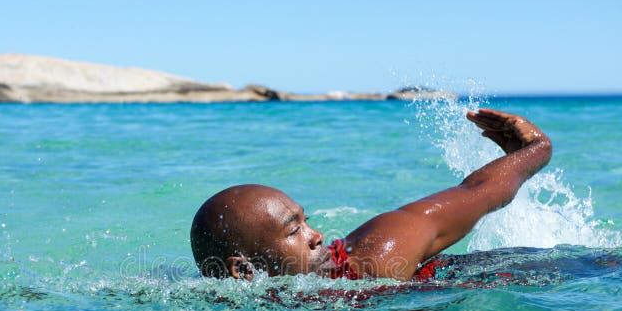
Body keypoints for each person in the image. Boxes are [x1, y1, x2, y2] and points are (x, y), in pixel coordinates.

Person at [190, 108, 552, 281]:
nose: (317, 236)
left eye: (306, 222)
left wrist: (535, 149)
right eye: (294, 231)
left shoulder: (375, 254)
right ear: (243, 270)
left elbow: (476, 193)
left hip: (556, 274)